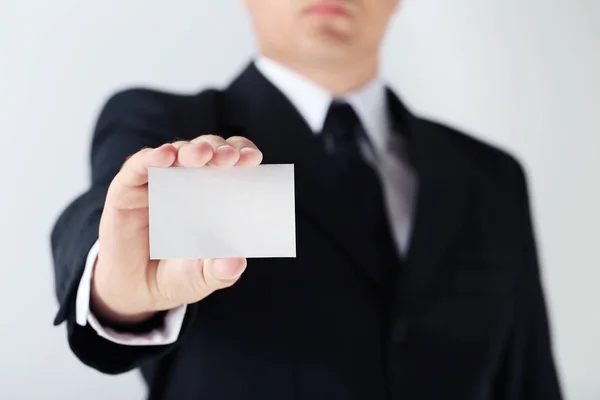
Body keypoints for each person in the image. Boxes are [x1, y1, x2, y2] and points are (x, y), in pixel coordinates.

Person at [50, 1, 563, 399]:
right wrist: (114, 287)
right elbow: (103, 213)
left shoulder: (491, 177)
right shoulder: (170, 128)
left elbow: (528, 378)